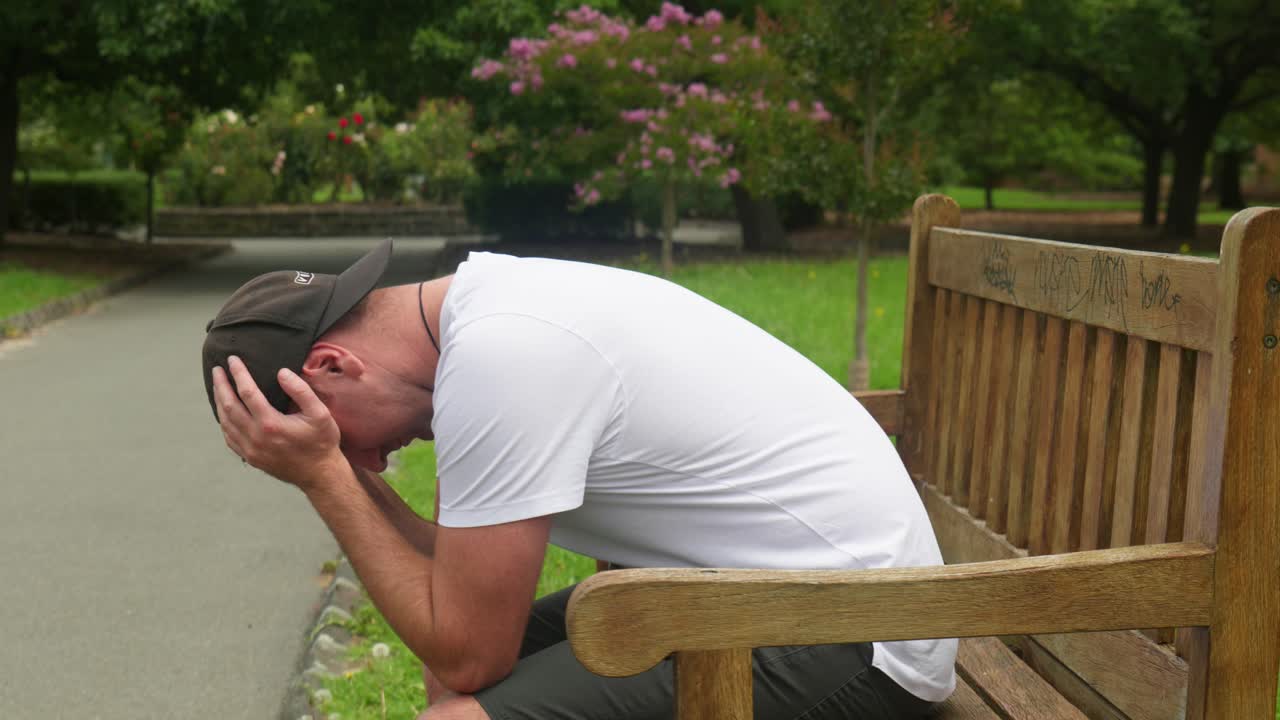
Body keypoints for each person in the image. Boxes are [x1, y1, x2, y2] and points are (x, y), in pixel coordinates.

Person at [202, 240, 956, 720]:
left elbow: (470, 651)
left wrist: (326, 477)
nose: (367, 461)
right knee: (464, 696)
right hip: (766, 598)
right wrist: (328, 470)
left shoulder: (507, 359)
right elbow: (458, 600)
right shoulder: (482, 318)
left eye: (339, 435)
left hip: (856, 631)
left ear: (332, 367)